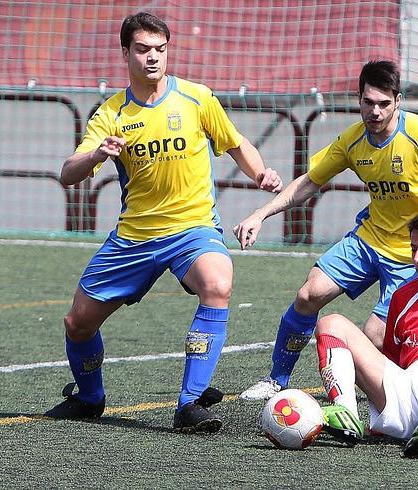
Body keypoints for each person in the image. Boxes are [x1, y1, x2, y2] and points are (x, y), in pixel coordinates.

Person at [44, 12, 282, 433]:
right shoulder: (111, 113)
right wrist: (97, 154)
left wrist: (260, 173)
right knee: (77, 323)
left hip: (192, 229)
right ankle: (90, 398)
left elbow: (235, 142)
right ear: (125, 53)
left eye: (160, 49)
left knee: (218, 282)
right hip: (135, 237)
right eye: (142, 49)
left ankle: (190, 403)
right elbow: (67, 172)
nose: (153, 58)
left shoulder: (196, 98)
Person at [234, 59, 418, 401]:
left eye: (384, 104)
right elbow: (309, 182)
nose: (375, 112)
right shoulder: (352, 140)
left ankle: (401, 401)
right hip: (369, 239)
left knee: (374, 337)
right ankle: (277, 379)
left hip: (412, 252)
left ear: (398, 101)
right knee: (308, 294)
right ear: (358, 99)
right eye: (368, 103)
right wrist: (260, 213)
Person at [316, 207, 418, 459]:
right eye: (413, 249)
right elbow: (394, 363)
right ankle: (345, 412)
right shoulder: (403, 297)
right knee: (332, 322)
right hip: (409, 395)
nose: (417, 258)